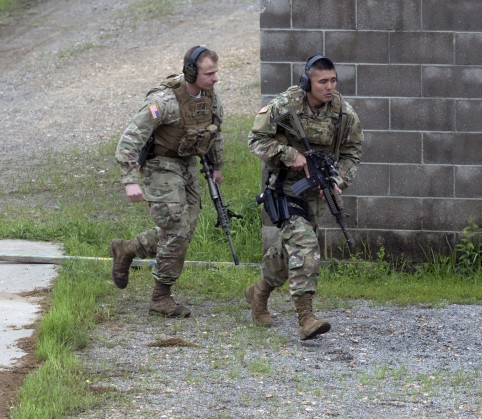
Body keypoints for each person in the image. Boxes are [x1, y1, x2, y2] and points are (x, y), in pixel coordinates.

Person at [246, 54, 364, 340]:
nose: (329, 87)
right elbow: (256, 140)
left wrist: (337, 180)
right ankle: (305, 317)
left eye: (333, 80)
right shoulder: (285, 106)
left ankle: (258, 292)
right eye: (322, 81)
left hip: (316, 193)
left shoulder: (343, 114)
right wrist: (290, 155)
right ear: (306, 81)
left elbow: (352, 153)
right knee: (306, 245)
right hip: (285, 188)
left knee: (290, 252)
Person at [110, 46, 225, 318]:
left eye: (216, 72)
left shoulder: (210, 98)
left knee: (184, 230)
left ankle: (127, 249)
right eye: (209, 73)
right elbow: (130, 139)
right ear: (191, 72)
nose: (215, 78)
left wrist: (217, 165)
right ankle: (160, 297)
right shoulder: (164, 102)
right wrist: (129, 180)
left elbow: (215, 131)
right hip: (159, 165)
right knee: (175, 226)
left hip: (186, 165)